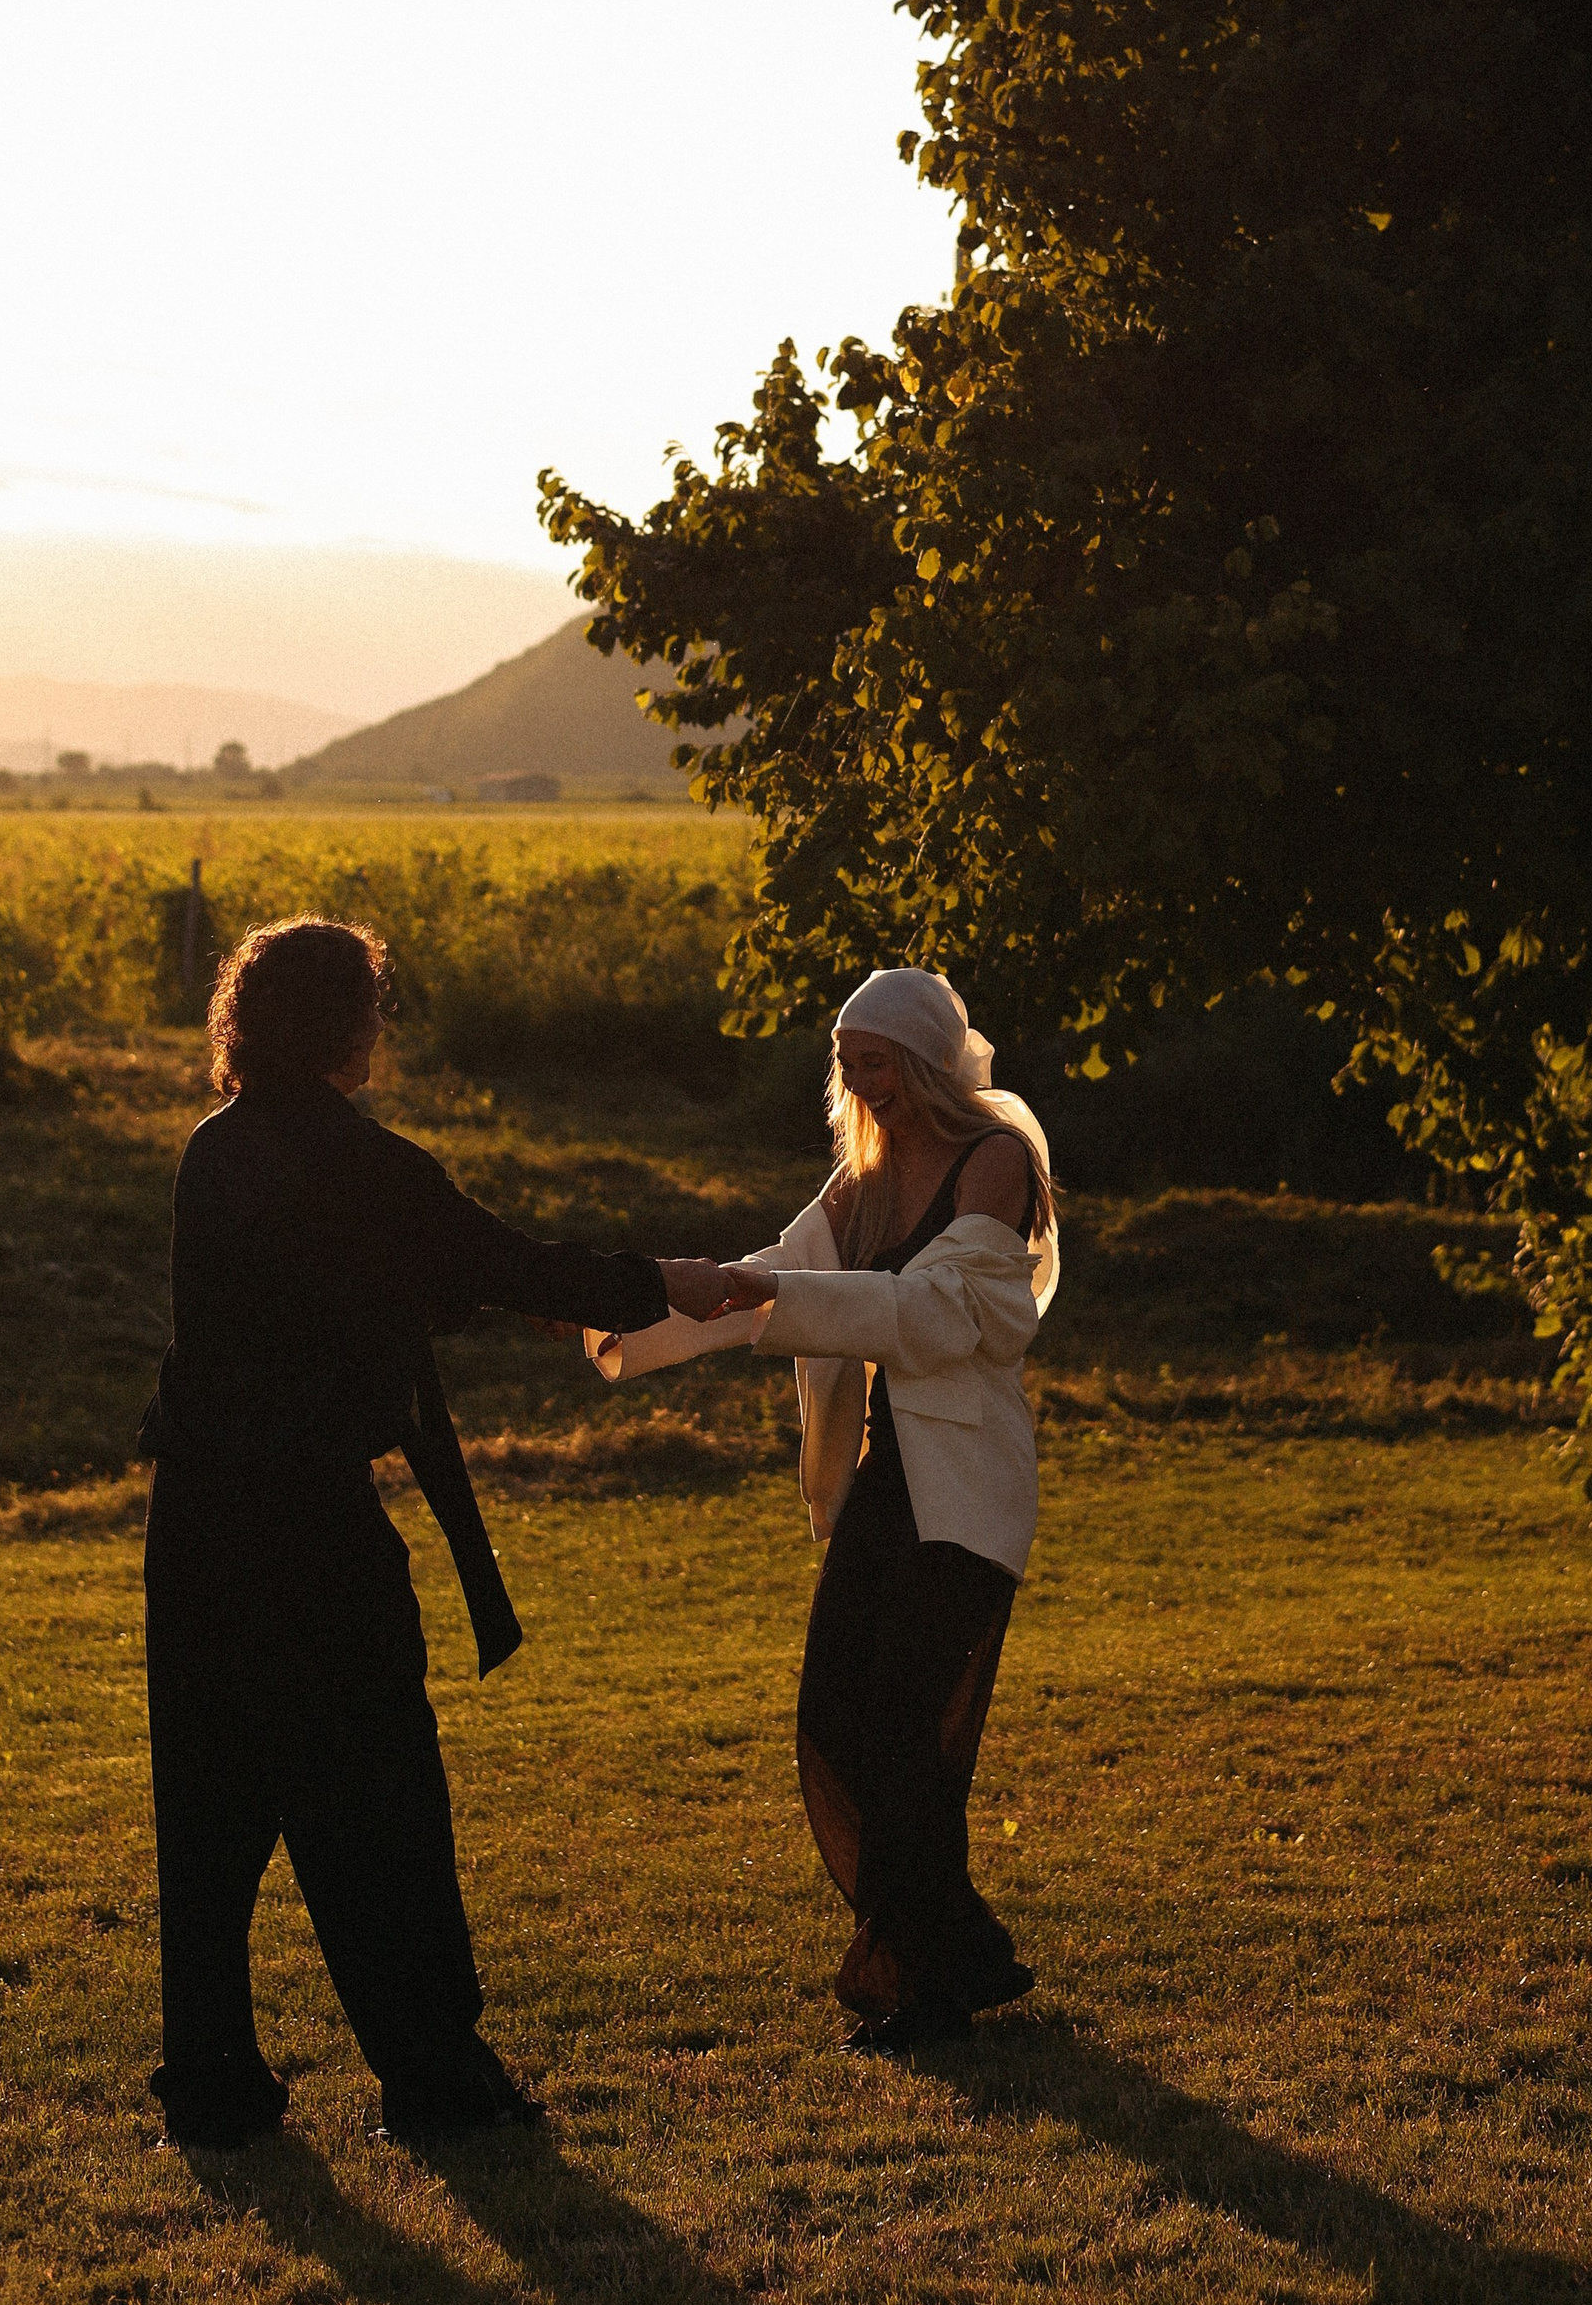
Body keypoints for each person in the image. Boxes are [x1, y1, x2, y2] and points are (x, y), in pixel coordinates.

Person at [138, 913, 735, 2148]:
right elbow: (497, 1264)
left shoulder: (213, 1152)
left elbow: (398, 1280)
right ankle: (434, 2077)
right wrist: (658, 1279)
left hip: (195, 1519)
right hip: (307, 1522)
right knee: (377, 1799)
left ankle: (210, 2082)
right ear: (352, 1025)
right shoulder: (367, 1163)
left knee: (211, 1803)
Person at [713, 968, 1060, 2051]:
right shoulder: (858, 1180)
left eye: (882, 1061)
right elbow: (773, 1271)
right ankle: (963, 1951)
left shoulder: (994, 1158)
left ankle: (928, 1985)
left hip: (965, 1489)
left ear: (927, 1060)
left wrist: (759, 1297)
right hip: (882, 1487)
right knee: (833, 1717)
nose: (866, 1083)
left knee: (908, 1728)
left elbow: (934, 1315)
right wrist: (628, 1305)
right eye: (850, 1064)